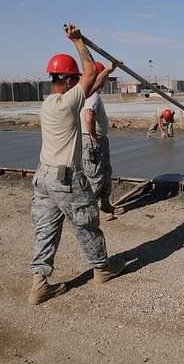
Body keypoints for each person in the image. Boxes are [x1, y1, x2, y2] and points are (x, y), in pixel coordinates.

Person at [28, 23, 125, 306]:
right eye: (75, 79)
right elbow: (89, 74)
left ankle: (39, 285)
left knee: (45, 230)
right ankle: (102, 268)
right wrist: (78, 41)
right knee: (86, 223)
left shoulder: (51, 101)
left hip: (43, 178)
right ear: (70, 81)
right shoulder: (68, 101)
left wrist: (108, 71)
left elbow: (92, 84)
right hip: (65, 179)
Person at [81, 61, 117, 220]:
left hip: (99, 140)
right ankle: (91, 213)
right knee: (95, 176)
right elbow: (89, 116)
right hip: (93, 141)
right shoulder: (92, 96)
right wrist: (94, 135)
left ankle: (105, 205)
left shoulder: (89, 93)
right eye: (104, 77)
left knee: (106, 172)